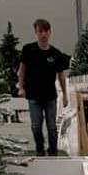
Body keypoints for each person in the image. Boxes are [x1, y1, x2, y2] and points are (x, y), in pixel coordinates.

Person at [17, 19, 70, 156]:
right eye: (40, 31)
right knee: (36, 126)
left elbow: (61, 76)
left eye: (46, 31)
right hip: (33, 96)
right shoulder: (28, 50)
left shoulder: (56, 54)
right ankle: (40, 149)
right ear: (36, 32)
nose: (43, 34)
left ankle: (53, 152)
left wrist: (65, 95)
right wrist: (21, 87)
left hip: (50, 97)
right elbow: (22, 70)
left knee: (52, 127)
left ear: (50, 32)